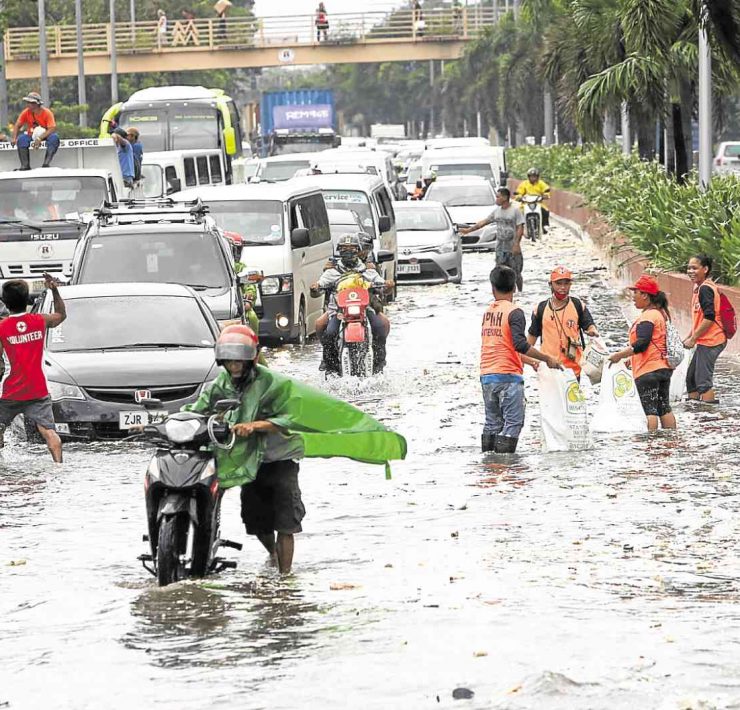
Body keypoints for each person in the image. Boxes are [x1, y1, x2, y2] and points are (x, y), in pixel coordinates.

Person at [185, 325, 406, 573]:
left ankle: (285, 578)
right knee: (255, 521)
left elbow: (292, 417)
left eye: (239, 362)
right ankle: (272, 554)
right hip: (246, 459)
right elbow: (198, 409)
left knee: (286, 521)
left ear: (252, 359)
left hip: (279, 458)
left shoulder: (273, 384)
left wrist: (256, 425)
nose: (234, 367)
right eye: (229, 362)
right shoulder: (220, 384)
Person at [480, 265, 561, 454]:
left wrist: (530, 361)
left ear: (493, 288)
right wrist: (546, 358)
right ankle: (506, 467)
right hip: (508, 378)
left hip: (487, 377)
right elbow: (519, 344)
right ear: (515, 287)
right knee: (513, 423)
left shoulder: (488, 313)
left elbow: (502, 346)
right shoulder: (514, 312)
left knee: (492, 423)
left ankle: (490, 466)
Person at [0, 274, 66, 462]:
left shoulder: (2, 327)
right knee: (49, 432)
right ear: (27, 299)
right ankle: (59, 466)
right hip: (38, 389)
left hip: (11, 392)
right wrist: (54, 290)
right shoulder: (39, 321)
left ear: (5, 302)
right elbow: (61, 315)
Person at [312, 234, 392, 375]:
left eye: (352, 248)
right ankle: (331, 367)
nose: (348, 252)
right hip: (339, 311)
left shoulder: (368, 270)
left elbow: (380, 285)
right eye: (344, 248)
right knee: (330, 333)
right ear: (338, 251)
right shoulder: (332, 270)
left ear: (358, 250)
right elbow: (320, 285)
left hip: (365, 309)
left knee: (380, 328)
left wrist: (387, 285)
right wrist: (316, 286)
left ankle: (379, 363)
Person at [608, 275, 676, 431]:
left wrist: (620, 355)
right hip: (663, 369)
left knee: (649, 410)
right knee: (664, 407)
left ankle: (651, 444)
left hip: (647, 370)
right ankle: (670, 441)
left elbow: (641, 344)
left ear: (645, 295)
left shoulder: (648, 316)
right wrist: (631, 357)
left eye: (636, 293)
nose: (633, 298)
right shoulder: (660, 314)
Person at [527, 265, 600, 379]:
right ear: (550, 285)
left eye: (566, 283)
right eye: (558, 283)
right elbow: (529, 342)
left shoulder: (578, 305)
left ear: (570, 285)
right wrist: (531, 361)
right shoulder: (540, 309)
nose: (562, 287)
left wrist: (592, 331)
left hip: (572, 371)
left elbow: (589, 325)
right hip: (548, 370)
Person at [461, 187, 525, 291]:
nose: (496, 199)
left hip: (512, 248)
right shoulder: (496, 211)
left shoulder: (515, 211)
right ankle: (506, 294)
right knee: (500, 273)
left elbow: (520, 227)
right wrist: (468, 230)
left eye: (498, 197)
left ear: (505, 197)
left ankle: (520, 292)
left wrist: (516, 244)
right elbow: (484, 222)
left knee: (516, 273)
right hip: (500, 248)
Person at [683, 254, 727, 403]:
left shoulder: (705, 289)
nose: (690, 271)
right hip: (704, 340)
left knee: (702, 382)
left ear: (705, 269)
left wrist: (693, 339)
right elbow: (700, 318)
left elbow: (709, 317)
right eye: (689, 268)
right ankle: (695, 414)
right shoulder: (699, 288)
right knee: (691, 380)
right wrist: (690, 337)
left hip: (712, 341)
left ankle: (709, 417)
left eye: (694, 268)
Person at [11, 93, 60, 170]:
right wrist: (14, 138)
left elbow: (52, 128)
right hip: (32, 134)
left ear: (36, 104)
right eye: (28, 103)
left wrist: (40, 138)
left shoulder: (47, 112)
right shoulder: (26, 112)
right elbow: (17, 125)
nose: (28, 105)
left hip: (45, 135)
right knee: (21, 139)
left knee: (54, 138)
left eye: (30, 103)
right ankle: (25, 165)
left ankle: (46, 163)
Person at [515, 167, 551, 233]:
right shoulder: (524, 183)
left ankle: (543, 225)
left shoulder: (541, 183)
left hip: (538, 203)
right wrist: (519, 196)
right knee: (519, 213)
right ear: (528, 177)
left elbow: (546, 189)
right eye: (531, 176)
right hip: (526, 203)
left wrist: (545, 195)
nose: (533, 178)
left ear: (537, 177)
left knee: (545, 211)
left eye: (534, 176)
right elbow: (519, 191)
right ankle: (520, 228)